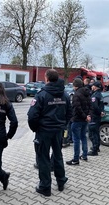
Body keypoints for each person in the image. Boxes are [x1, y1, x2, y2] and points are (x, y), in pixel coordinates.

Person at [28, 69, 72, 197]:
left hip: (44, 131)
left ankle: (45, 186)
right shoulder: (65, 95)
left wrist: (36, 128)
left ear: (47, 79)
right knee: (58, 156)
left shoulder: (42, 94)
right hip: (58, 131)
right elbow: (70, 113)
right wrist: (63, 125)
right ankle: (61, 181)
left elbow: (32, 116)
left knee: (43, 158)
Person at [66, 78, 92, 165]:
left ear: (75, 85)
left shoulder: (76, 95)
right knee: (83, 137)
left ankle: (75, 159)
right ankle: (84, 155)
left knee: (76, 139)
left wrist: (85, 116)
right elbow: (90, 106)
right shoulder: (87, 93)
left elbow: (77, 108)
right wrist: (88, 116)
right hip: (85, 120)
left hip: (77, 120)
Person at [88, 81, 104, 156]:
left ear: (95, 87)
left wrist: (99, 112)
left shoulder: (94, 95)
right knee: (96, 132)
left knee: (92, 134)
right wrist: (101, 112)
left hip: (94, 116)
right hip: (98, 117)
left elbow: (94, 106)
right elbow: (102, 106)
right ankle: (97, 147)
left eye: (93, 86)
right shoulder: (100, 95)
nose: (91, 87)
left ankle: (94, 150)